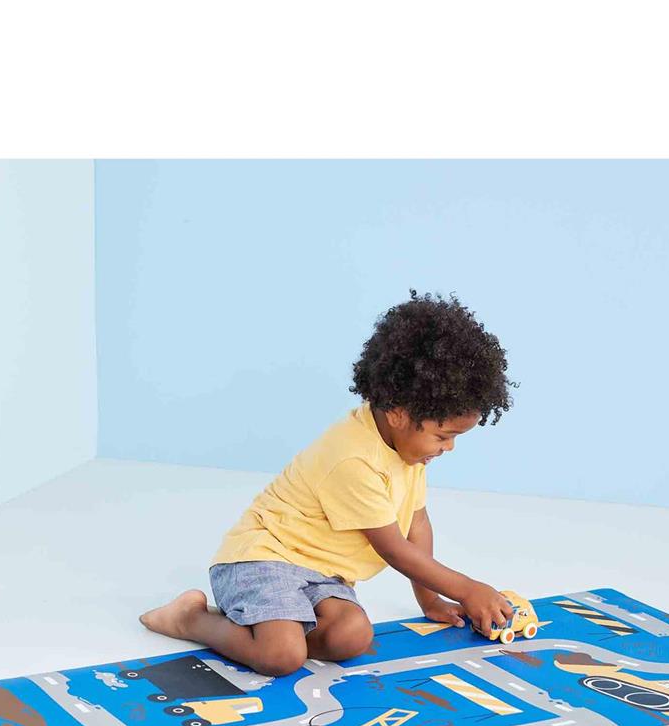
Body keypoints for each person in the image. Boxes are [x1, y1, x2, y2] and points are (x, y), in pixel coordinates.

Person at [139, 289, 519, 677]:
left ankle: (270, 628)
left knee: (353, 636)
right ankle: (191, 619)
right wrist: (467, 589)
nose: (448, 447)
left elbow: (416, 525)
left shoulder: (407, 450)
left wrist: (430, 600)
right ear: (400, 413)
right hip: (263, 558)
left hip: (322, 576)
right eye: (443, 436)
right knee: (281, 657)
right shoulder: (353, 457)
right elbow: (394, 548)